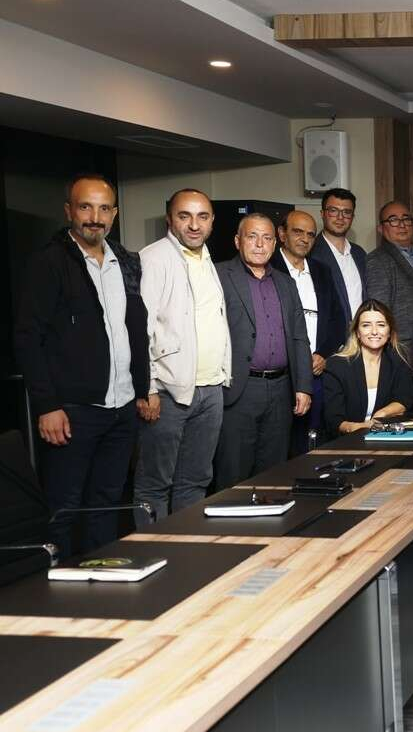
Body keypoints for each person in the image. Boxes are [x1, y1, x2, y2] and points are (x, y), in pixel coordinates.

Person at [15, 174, 148, 557]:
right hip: (72, 411)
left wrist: (142, 389)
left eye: (104, 208)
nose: (95, 217)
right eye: (86, 207)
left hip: (121, 407)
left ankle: (99, 578)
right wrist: (47, 405)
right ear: (68, 211)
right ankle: (54, 583)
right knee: (64, 507)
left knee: (106, 503)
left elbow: (135, 329)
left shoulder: (125, 262)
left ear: (114, 214)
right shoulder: (48, 262)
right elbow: (28, 338)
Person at [134, 189, 231, 518]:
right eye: (184, 216)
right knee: (154, 484)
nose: (194, 225)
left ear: (212, 221)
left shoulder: (207, 258)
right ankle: (154, 547)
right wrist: (147, 387)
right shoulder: (154, 258)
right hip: (167, 391)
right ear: (169, 219)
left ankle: (186, 546)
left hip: (210, 388)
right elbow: (141, 328)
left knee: (195, 481)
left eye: (202, 217)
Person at [212, 214, 313, 489]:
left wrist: (303, 386)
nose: (260, 244)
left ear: (275, 242)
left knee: (273, 475)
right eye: (252, 237)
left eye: (267, 238)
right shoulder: (218, 275)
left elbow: (299, 336)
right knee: (233, 473)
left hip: (281, 390)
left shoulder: (285, 282)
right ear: (237, 241)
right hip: (239, 390)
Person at [270, 209, 345, 453]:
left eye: (311, 234)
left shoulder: (322, 270)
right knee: (281, 441)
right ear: (282, 234)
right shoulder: (268, 268)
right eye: (298, 232)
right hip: (283, 373)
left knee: (314, 440)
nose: (304, 239)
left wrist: (323, 353)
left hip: (317, 369)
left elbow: (337, 320)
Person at [323, 300, 413, 433]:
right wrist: (361, 427)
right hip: (347, 439)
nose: (374, 331)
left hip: (385, 436)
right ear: (357, 332)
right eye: (366, 325)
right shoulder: (336, 365)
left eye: (381, 325)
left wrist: (381, 414)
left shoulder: (398, 361)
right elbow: (334, 420)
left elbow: (405, 399)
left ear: (389, 331)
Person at [364, 200, 413, 365]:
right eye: (393, 220)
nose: (402, 225)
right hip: (401, 351)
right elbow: (379, 311)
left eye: (406, 219)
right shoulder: (377, 260)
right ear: (381, 228)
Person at [308, 187, 367, 324]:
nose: (340, 217)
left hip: (361, 333)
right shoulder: (310, 253)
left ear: (352, 217)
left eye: (346, 212)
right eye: (333, 211)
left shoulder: (360, 254)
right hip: (329, 335)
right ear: (323, 213)